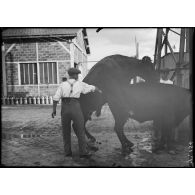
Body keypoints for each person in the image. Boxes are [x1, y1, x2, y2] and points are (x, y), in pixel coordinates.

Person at [52, 68, 102, 159]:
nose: (78, 76)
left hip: (65, 107)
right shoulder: (80, 84)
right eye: (77, 75)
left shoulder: (62, 84)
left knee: (65, 131)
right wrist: (99, 90)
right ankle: (83, 152)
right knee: (80, 129)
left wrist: (54, 110)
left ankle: (67, 152)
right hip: (75, 107)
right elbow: (92, 88)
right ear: (75, 75)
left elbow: (56, 98)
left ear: (69, 75)